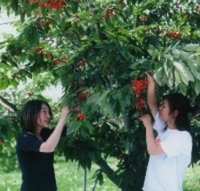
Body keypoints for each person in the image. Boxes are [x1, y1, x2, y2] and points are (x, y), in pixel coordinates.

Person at [139, 72, 193, 191]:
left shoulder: (182, 137)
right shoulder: (164, 127)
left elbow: (152, 150)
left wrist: (148, 126)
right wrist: (151, 82)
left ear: (175, 113)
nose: (160, 108)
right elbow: (152, 104)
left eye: (164, 106)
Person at [16, 99, 69, 191]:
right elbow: (48, 147)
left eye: (49, 112)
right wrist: (63, 117)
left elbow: (70, 129)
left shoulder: (45, 135)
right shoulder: (24, 138)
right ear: (32, 113)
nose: (48, 116)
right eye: (44, 111)